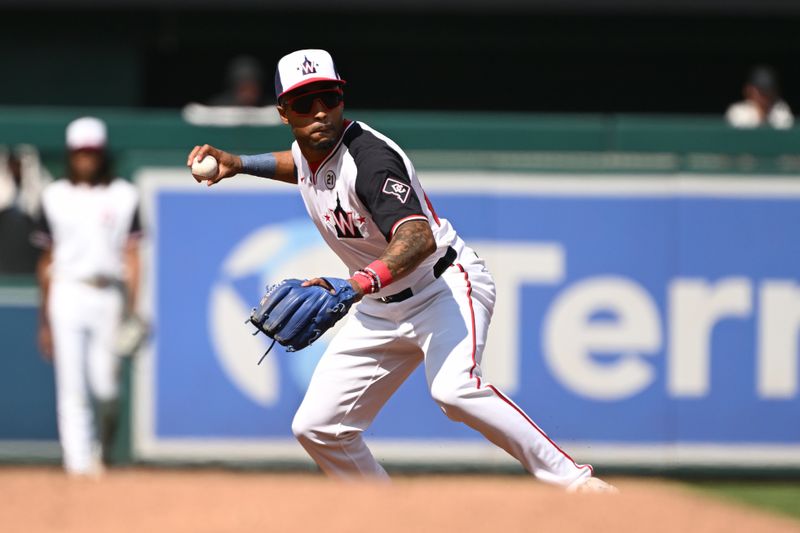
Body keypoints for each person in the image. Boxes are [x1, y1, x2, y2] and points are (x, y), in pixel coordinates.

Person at [187, 49, 616, 493]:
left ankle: (582, 488)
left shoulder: (370, 159)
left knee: (454, 391)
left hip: (441, 286)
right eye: (303, 103)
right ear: (283, 112)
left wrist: (354, 285)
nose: (318, 112)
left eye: (328, 98)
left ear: (341, 98)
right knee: (317, 428)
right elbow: (298, 163)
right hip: (378, 305)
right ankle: (388, 516)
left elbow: (417, 239)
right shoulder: (310, 148)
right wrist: (239, 163)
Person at [33, 117, 142, 476]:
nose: (86, 159)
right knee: (71, 386)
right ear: (69, 154)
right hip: (66, 290)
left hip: (107, 293)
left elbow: (132, 255)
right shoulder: (53, 196)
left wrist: (132, 308)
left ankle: (102, 450)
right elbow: (45, 260)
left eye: (92, 152)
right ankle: (78, 467)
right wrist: (44, 318)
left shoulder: (124, 194)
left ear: (102, 153)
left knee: (107, 386)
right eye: (80, 152)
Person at [726, 65, 794, 129]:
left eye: (768, 90)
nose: (765, 94)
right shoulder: (737, 111)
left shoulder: (781, 109)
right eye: (760, 90)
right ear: (749, 90)